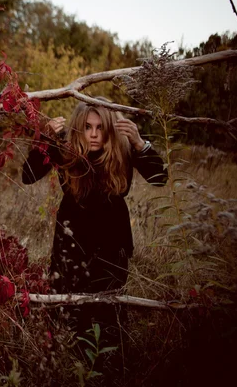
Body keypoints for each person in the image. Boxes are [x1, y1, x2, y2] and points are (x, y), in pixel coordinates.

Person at [22, 99, 168, 295]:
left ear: (111, 128)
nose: (93, 134)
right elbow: (28, 176)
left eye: (100, 128)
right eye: (87, 127)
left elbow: (159, 178)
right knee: (65, 301)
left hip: (112, 236)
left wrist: (140, 144)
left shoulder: (124, 146)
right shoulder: (66, 145)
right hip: (71, 234)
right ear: (78, 127)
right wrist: (44, 140)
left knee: (107, 303)